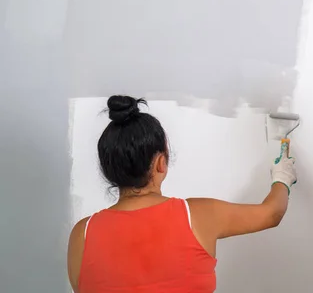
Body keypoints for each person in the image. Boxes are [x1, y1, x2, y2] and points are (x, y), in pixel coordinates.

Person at [67, 95, 297, 293]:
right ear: (160, 163)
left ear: (109, 169)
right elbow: (272, 213)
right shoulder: (197, 216)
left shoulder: (82, 235)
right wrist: (282, 178)